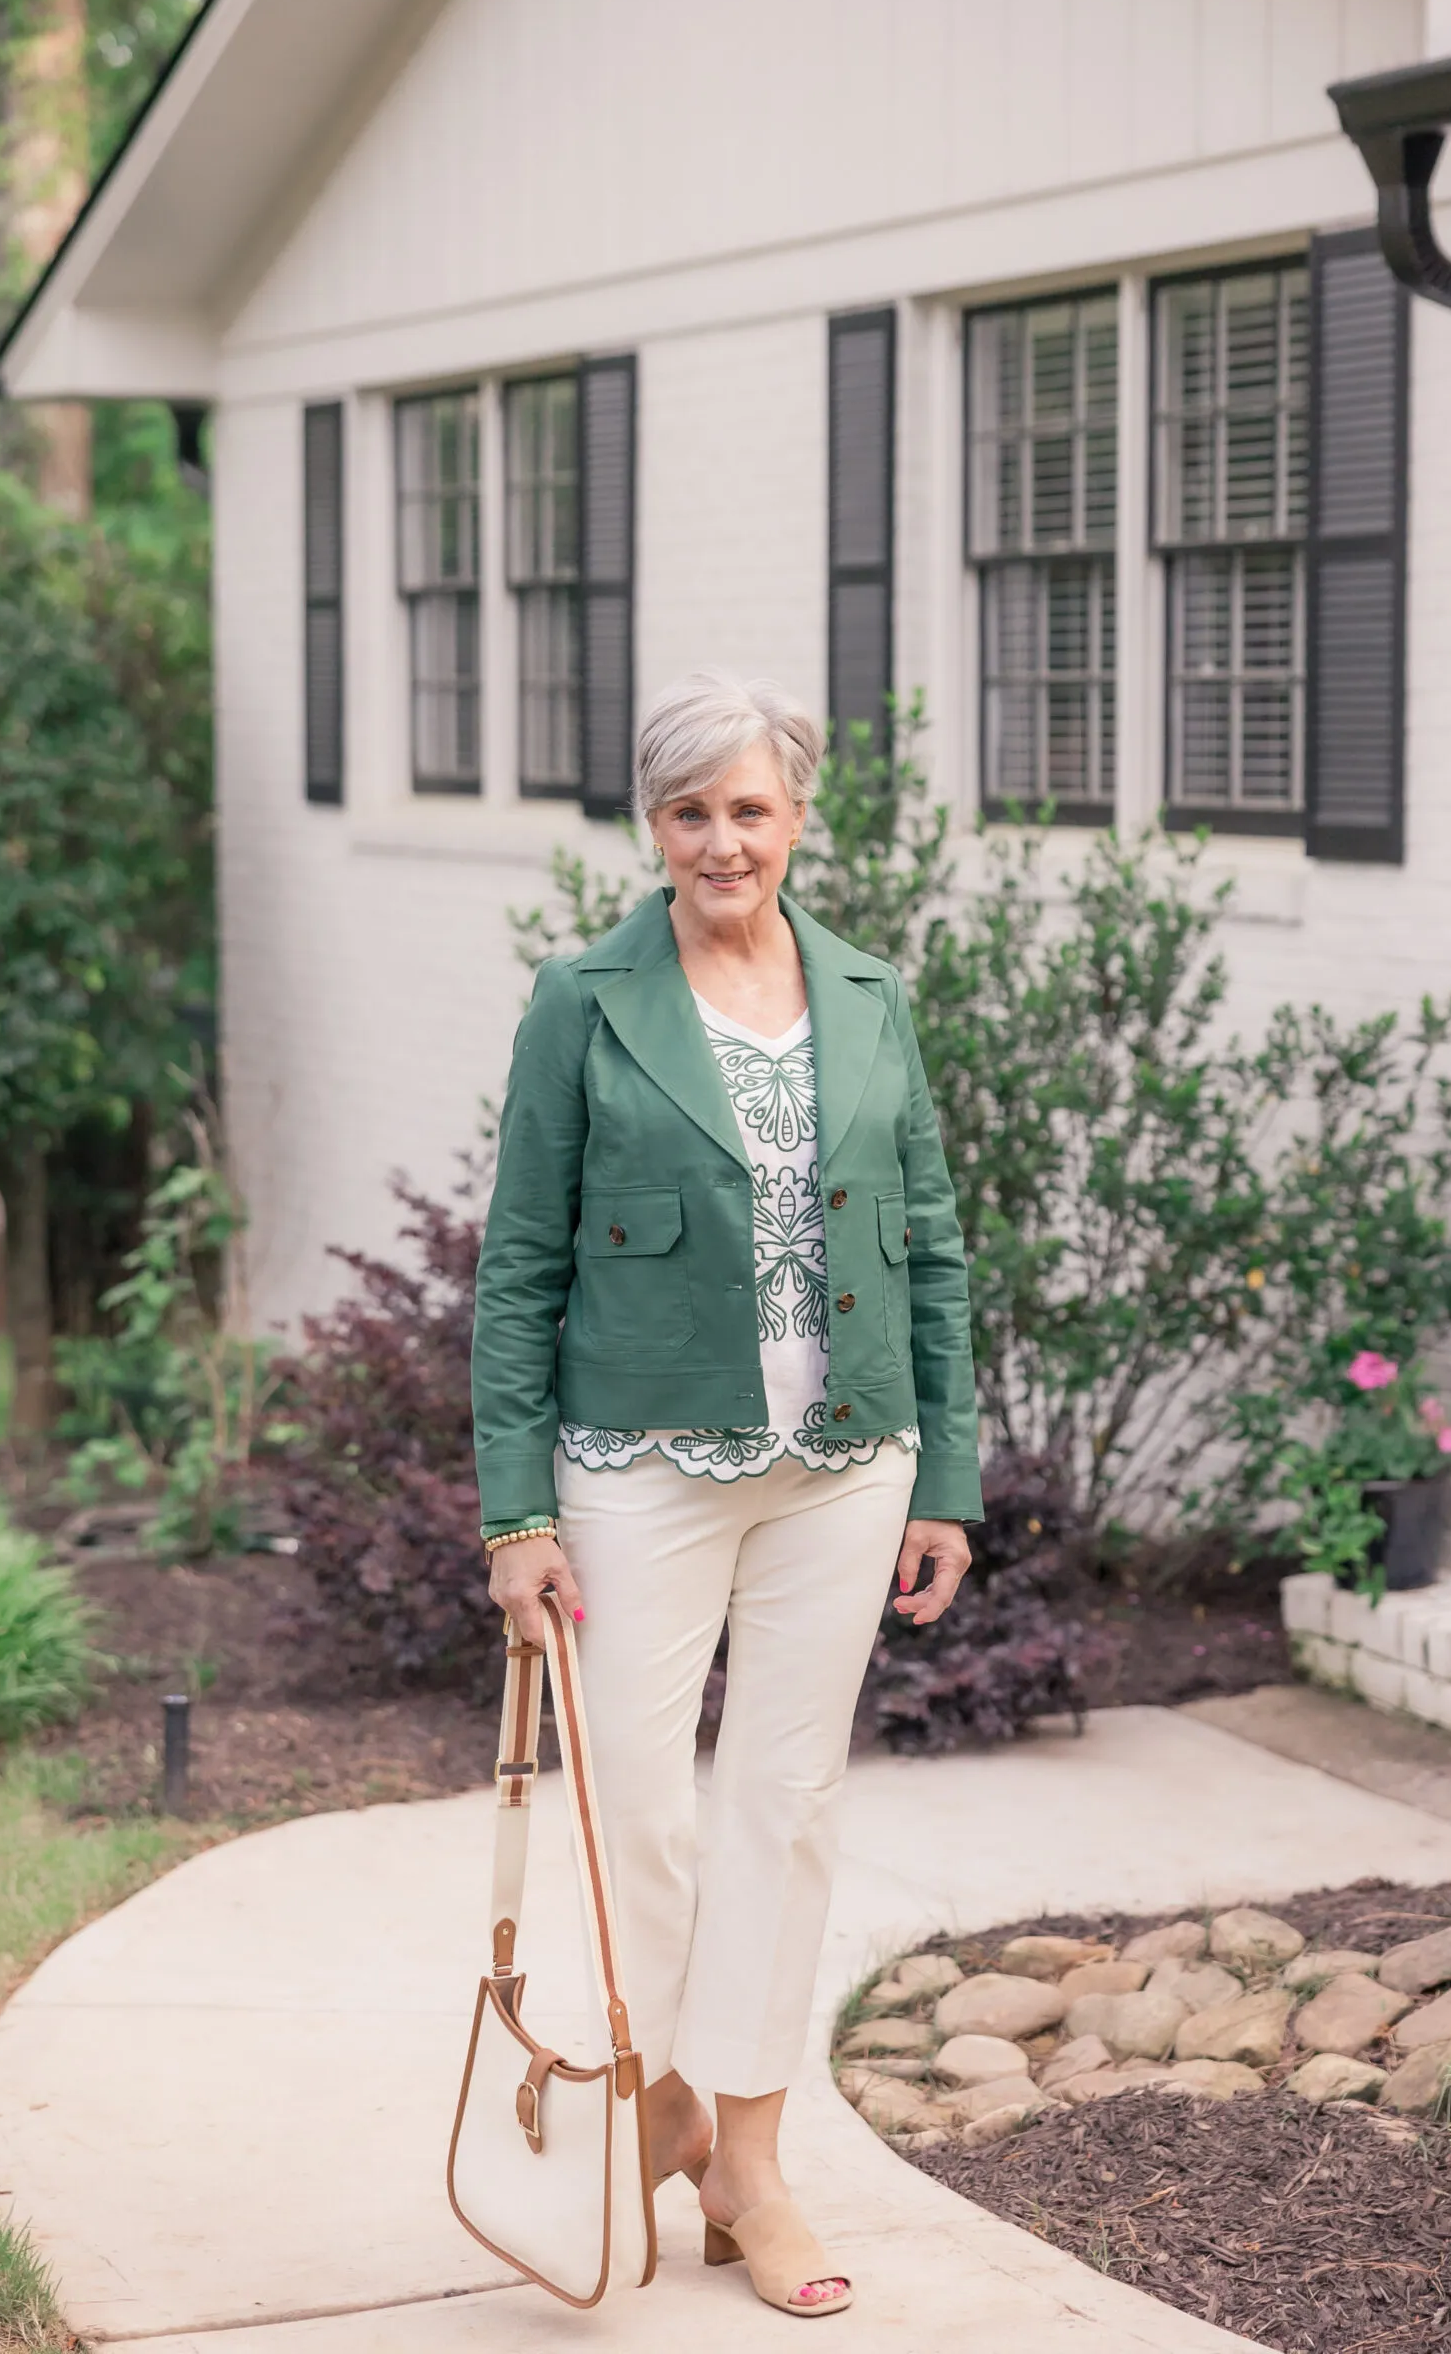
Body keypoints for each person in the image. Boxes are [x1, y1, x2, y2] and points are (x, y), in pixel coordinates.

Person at [472, 671, 981, 2319]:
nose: (721, 841)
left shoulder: (867, 992)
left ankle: (743, 2156)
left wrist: (946, 1476)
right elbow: (519, 1268)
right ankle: (670, 2100)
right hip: (637, 1469)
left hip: (847, 1464)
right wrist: (514, 1511)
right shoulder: (585, 997)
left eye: (749, 808)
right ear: (652, 824)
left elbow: (935, 1244)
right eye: (689, 810)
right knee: (644, 1813)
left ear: (795, 818)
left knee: (786, 1804)